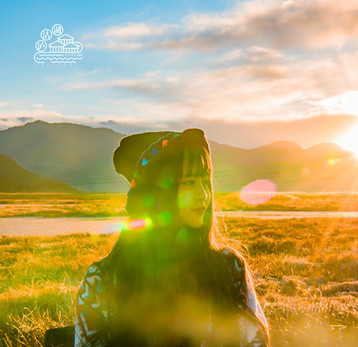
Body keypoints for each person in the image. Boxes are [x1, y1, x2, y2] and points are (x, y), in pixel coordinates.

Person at [74, 128, 270, 346]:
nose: (203, 196)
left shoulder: (230, 268)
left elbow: (256, 342)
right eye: (188, 183)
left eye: (205, 181)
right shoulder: (103, 281)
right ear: (158, 194)